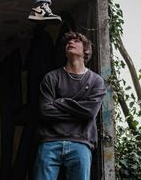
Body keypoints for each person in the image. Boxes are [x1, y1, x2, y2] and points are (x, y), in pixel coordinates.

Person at [34, 31, 107, 180]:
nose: (70, 43)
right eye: (68, 42)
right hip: (50, 141)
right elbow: (45, 111)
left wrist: (60, 101)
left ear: (86, 50)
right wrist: (77, 110)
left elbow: (89, 112)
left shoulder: (96, 81)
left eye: (76, 41)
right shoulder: (52, 77)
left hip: (81, 142)